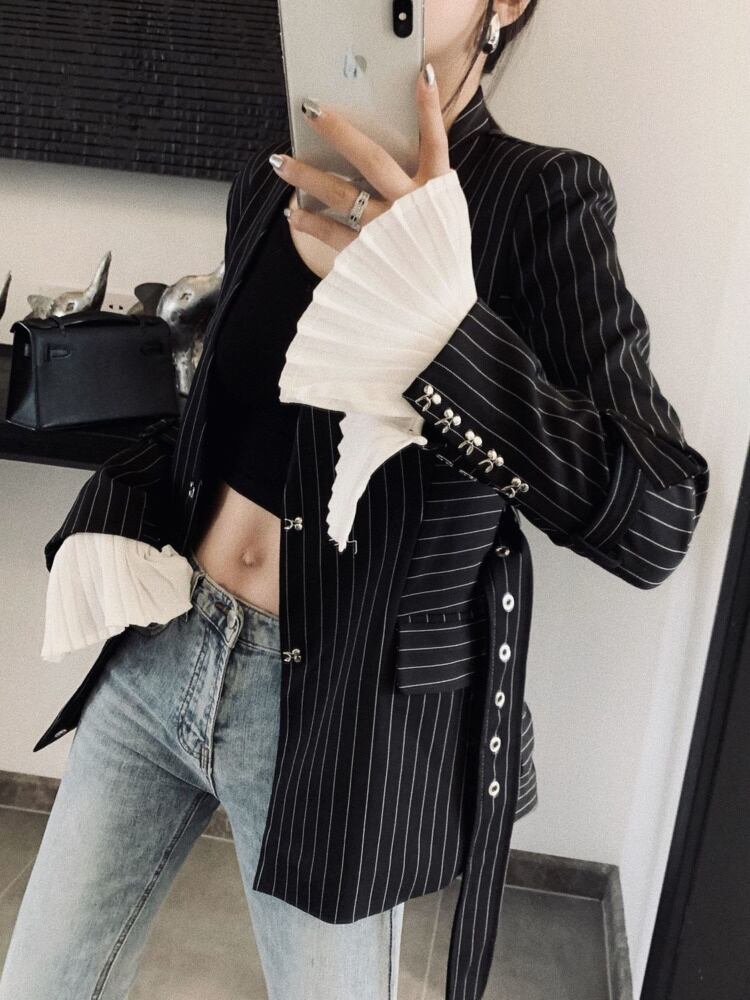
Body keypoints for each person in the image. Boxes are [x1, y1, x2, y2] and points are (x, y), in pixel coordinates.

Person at [1, 2, 710, 999]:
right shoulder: (277, 176)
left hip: (334, 711)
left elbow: (656, 517)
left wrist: (440, 325)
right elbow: (225, 416)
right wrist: (115, 520)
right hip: (163, 649)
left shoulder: (536, 200)